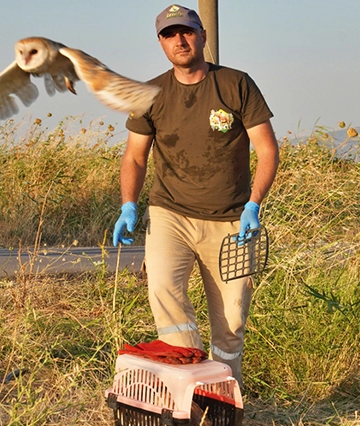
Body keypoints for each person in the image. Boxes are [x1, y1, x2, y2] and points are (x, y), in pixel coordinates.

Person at [112, 4, 279, 389]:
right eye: (170, 35)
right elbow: (135, 157)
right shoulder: (150, 95)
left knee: (232, 321)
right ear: (161, 43)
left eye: (186, 32)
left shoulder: (236, 84)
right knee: (162, 290)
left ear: (202, 36)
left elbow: (267, 149)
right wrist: (128, 205)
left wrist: (254, 203)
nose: (180, 40)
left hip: (232, 220)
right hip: (171, 213)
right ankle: (191, 387)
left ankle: (223, 396)